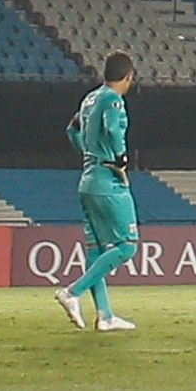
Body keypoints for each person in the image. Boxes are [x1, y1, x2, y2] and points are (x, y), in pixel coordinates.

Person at [52, 52, 141, 332]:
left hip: (87, 180)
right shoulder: (114, 100)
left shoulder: (89, 98)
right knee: (127, 245)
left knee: (97, 250)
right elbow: (113, 129)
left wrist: (89, 153)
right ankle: (72, 292)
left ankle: (105, 315)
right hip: (107, 182)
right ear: (128, 77)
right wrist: (120, 159)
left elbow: (71, 130)